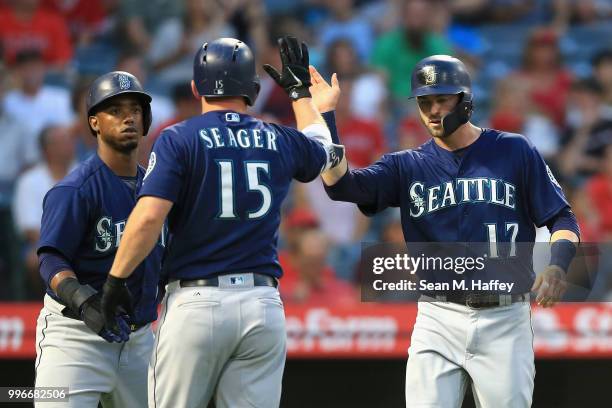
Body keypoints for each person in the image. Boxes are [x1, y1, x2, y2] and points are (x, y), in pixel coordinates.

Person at [314, 55, 581, 407]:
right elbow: (341, 186)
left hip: (504, 317)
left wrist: (557, 264)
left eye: (442, 99)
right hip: (437, 317)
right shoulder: (406, 165)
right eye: (425, 102)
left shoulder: (513, 150)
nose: (433, 110)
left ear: (465, 100)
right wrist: (326, 119)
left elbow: (563, 219)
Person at [100, 37, 343, 408]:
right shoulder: (279, 137)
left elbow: (149, 216)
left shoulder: (178, 138)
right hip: (262, 304)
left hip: (196, 303)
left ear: (196, 87)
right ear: (254, 90)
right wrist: (299, 94)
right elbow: (326, 150)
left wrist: (116, 279)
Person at [34, 71, 165, 407]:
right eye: (115, 110)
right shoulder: (75, 189)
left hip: (138, 340)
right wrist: (82, 299)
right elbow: (50, 260)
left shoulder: (160, 189)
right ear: (94, 123)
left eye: (135, 110)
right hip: (76, 337)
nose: (128, 117)